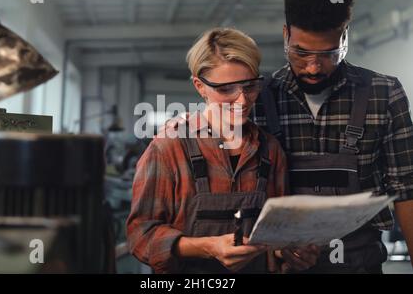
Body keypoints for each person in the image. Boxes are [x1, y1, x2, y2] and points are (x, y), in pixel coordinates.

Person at [252, 0, 413, 273]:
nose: (313, 67)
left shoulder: (384, 93)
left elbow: (406, 191)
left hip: (360, 264)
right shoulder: (258, 99)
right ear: (286, 34)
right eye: (301, 52)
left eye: (328, 54)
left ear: (345, 36)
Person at [126, 27, 319, 274]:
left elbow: (277, 232)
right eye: (226, 89)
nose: (242, 101)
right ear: (200, 86)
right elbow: (140, 235)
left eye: (250, 86)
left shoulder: (270, 150)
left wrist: (288, 251)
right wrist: (206, 246)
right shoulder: (169, 148)